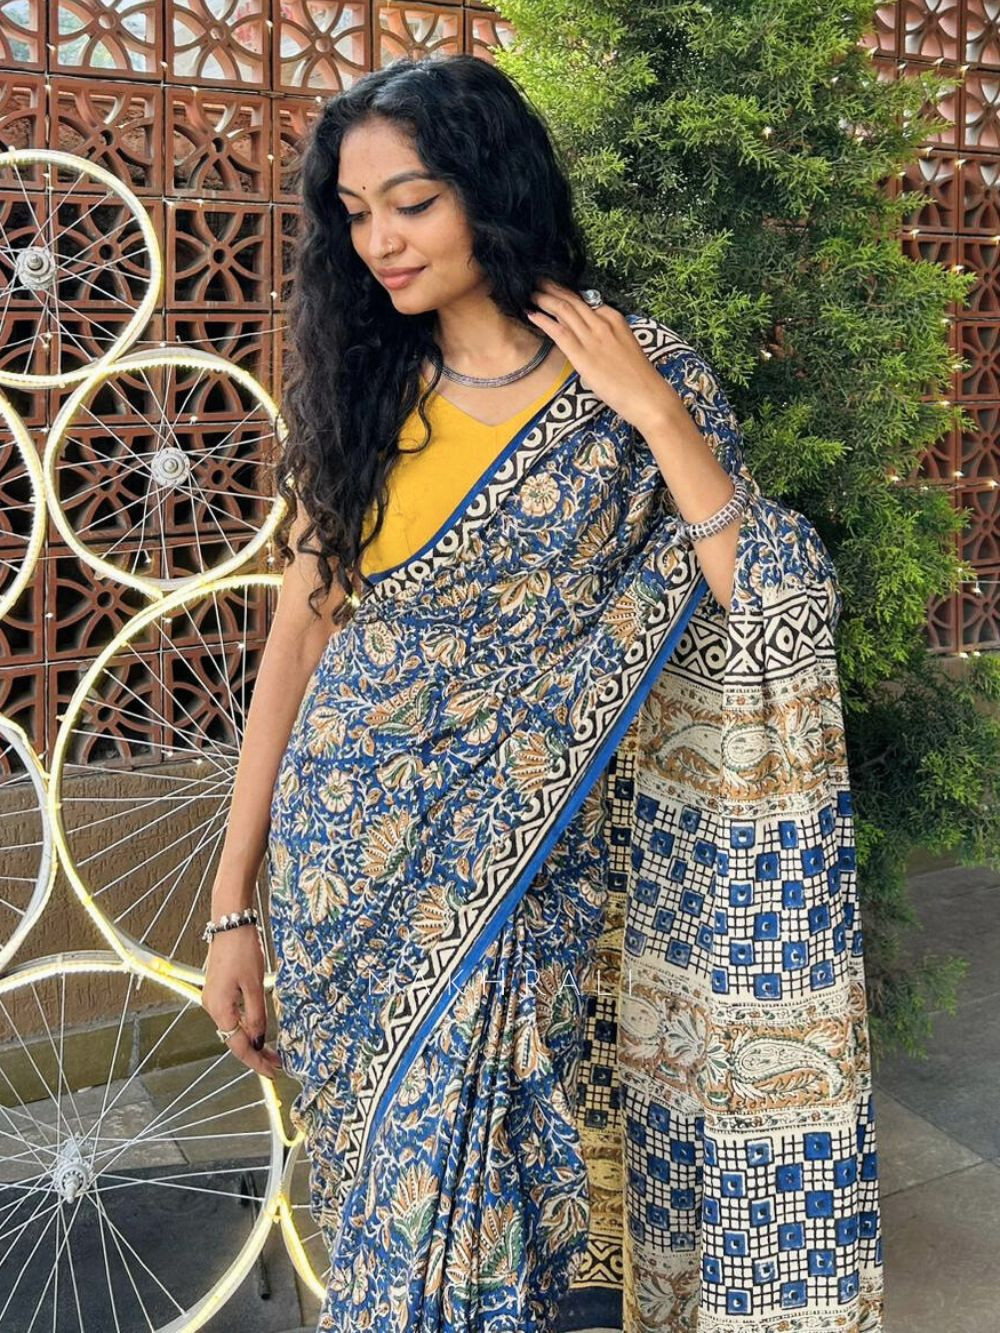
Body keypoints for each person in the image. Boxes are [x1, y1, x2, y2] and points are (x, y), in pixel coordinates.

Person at [201, 51, 884, 1333]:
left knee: (504, 1213)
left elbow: (775, 604)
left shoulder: (635, 375)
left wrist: (654, 414)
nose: (381, 241)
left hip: (527, 866)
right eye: (355, 214)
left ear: (490, 187)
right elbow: (297, 642)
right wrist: (233, 900)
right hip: (343, 862)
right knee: (393, 1211)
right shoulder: (363, 387)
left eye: (412, 202)